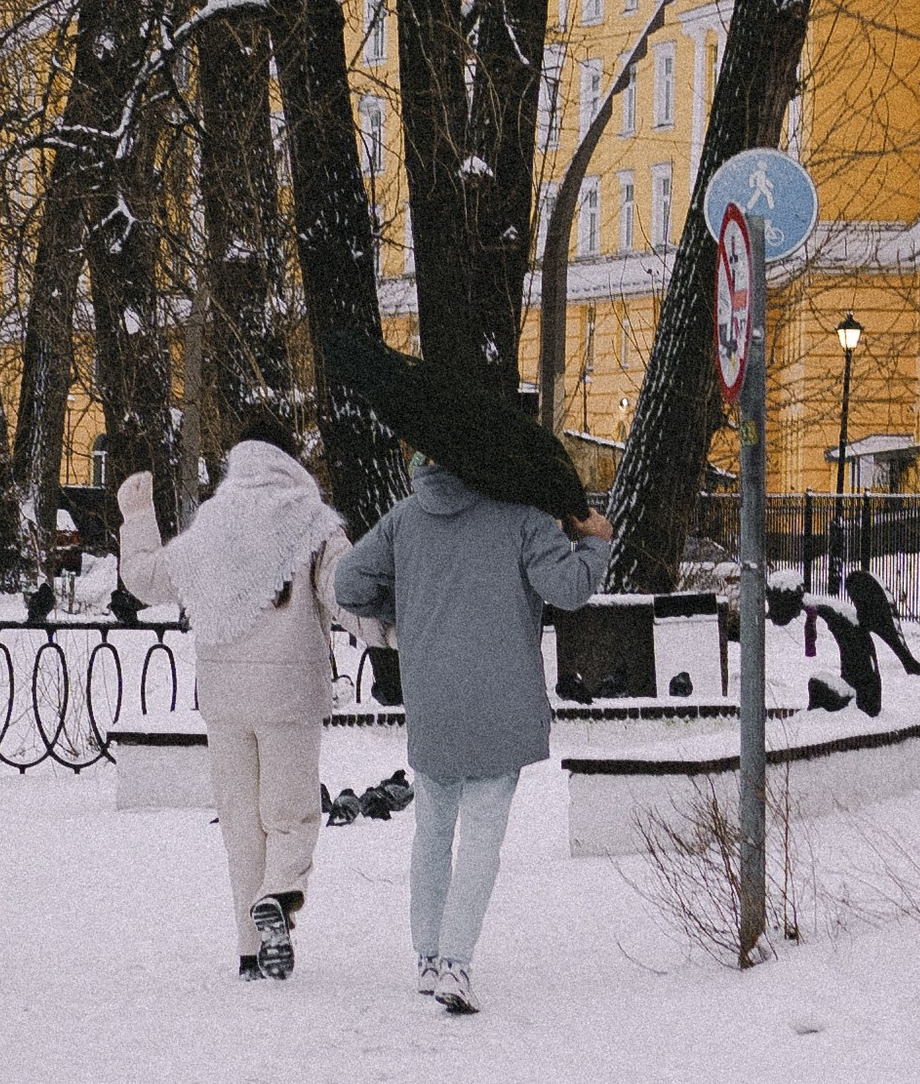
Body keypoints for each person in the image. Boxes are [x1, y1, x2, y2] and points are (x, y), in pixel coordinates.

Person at [333, 464, 610, 1012]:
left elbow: (348, 585)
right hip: (501, 697)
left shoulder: (404, 520)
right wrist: (595, 541)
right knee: (482, 833)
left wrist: (408, 608)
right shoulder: (522, 518)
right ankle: (456, 965)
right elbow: (570, 589)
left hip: (433, 694)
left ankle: (428, 957)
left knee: (433, 828)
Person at [117, 417, 352, 982]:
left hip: (223, 698)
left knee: (241, 823)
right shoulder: (313, 525)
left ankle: (250, 950)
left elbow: (147, 578)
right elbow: (347, 596)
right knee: (291, 813)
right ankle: (278, 893)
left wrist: (138, 516)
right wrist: (399, 629)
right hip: (289, 696)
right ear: (290, 458)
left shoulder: (214, 522)